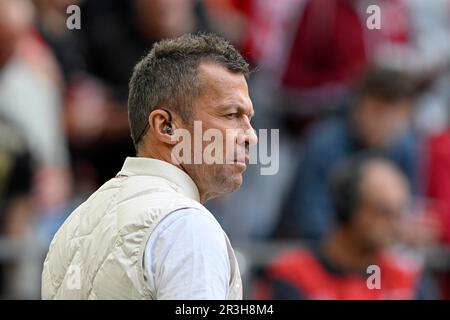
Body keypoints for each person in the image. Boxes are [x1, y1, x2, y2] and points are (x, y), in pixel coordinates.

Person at [41, 33, 257, 300]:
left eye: (248, 119)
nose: (251, 136)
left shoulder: (75, 222)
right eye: (232, 115)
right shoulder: (187, 225)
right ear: (165, 127)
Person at [277, 68, 418, 241]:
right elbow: (307, 223)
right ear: (358, 106)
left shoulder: (405, 149)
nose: (384, 123)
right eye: (377, 111)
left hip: (375, 257)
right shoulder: (323, 145)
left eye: (394, 115)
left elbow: (407, 213)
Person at [266, 154, 430, 299]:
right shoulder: (294, 275)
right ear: (349, 209)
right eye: (384, 212)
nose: (395, 224)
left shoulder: (407, 278)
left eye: (399, 212)